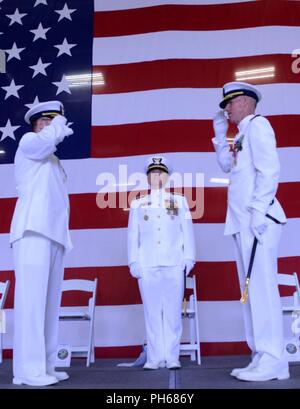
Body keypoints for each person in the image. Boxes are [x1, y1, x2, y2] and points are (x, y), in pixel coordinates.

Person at [212, 82, 288, 381]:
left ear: (245, 101)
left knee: (261, 290)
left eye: (229, 103)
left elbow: (270, 169)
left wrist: (258, 210)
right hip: (243, 221)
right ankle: (260, 354)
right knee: (249, 293)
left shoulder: (258, 125)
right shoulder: (241, 134)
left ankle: (274, 359)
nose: (226, 109)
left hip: (259, 220)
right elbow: (227, 168)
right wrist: (220, 136)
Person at [10, 101, 73, 386]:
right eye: (51, 121)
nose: (58, 126)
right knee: (32, 304)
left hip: (53, 234)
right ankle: (28, 370)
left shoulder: (53, 160)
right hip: (32, 230)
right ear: (40, 124)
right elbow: (43, 144)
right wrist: (57, 126)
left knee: (49, 305)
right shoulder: (29, 142)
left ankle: (46, 364)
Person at [127, 156, 196, 370]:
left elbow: (187, 232)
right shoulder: (138, 203)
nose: (157, 176)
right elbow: (132, 235)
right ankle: (155, 357)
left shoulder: (179, 201)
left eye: (161, 173)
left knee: (173, 312)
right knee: (152, 311)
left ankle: (171, 356)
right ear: (147, 178)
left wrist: (189, 258)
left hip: (174, 262)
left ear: (167, 177)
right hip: (147, 264)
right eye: (153, 173)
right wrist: (133, 261)